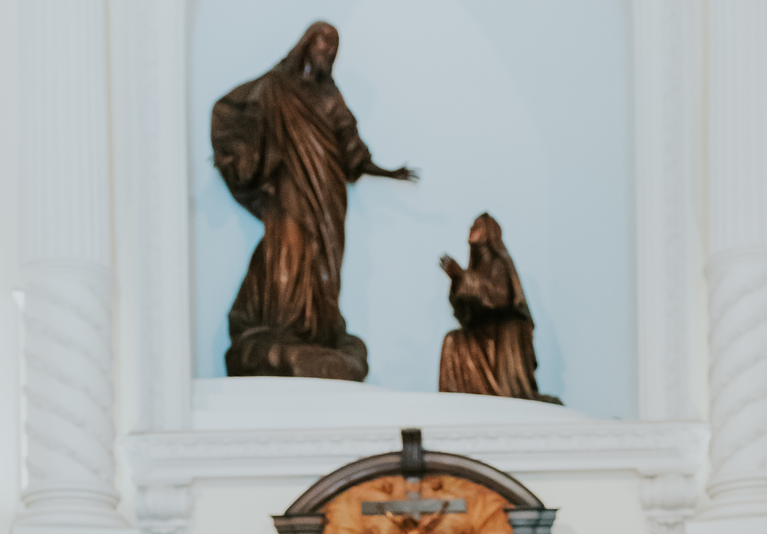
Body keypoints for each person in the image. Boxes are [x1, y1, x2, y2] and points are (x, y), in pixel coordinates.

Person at [211, 22, 416, 381]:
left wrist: (389, 172)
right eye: (324, 45)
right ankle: (283, 324)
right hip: (289, 185)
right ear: (308, 45)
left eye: (334, 48)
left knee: (324, 258)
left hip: (328, 190)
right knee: (288, 243)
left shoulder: (330, 95)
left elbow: (351, 146)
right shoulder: (275, 87)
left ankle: (319, 329)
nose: (328, 54)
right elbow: (239, 115)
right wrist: (235, 156)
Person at [438, 213, 559, 403]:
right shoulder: (475, 269)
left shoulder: (499, 264)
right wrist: (457, 279)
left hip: (502, 331)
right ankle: (458, 401)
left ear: (488, 233)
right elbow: (465, 313)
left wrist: (462, 276)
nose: (471, 230)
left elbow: (499, 296)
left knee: (499, 332)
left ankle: (506, 390)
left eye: (476, 227)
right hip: (481, 332)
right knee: (452, 339)